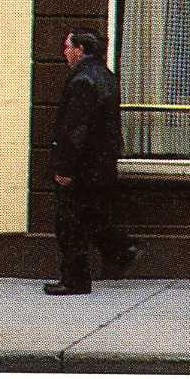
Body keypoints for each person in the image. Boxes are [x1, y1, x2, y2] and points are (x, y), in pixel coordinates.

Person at [45, 27, 142, 295]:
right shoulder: (106, 76)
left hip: (82, 166)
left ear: (80, 49)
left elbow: (76, 129)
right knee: (91, 215)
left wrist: (65, 168)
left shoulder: (83, 80)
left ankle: (75, 279)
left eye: (67, 46)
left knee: (69, 222)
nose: (64, 52)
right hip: (100, 164)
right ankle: (122, 250)